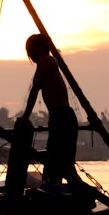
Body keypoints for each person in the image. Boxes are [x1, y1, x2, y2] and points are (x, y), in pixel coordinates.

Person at [20, 33, 79, 188]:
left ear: (40, 48)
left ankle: (76, 192)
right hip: (61, 116)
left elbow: (34, 90)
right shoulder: (47, 62)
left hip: (62, 117)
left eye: (32, 49)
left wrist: (25, 117)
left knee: (59, 161)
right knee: (63, 162)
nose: (31, 54)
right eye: (29, 50)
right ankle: (72, 192)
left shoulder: (46, 61)